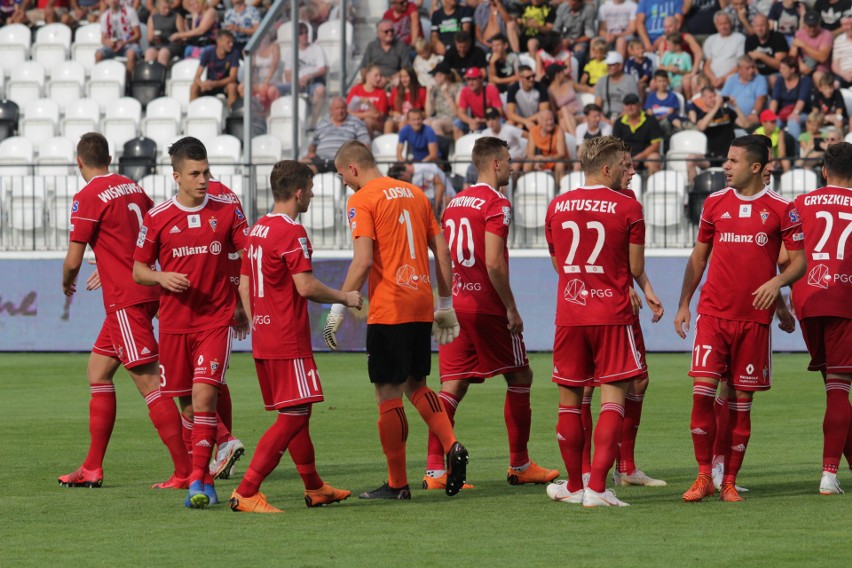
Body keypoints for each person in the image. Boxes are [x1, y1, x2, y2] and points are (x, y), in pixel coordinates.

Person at [325, 140, 469, 500]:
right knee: (416, 384)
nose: (344, 182)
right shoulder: (415, 193)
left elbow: (363, 261)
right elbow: (442, 248)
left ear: (353, 168)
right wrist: (446, 301)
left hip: (389, 306)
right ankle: (452, 445)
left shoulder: (361, 200)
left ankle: (397, 483)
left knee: (387, 395)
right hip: (421, 302)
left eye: (342, 175)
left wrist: (338, 307)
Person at [421, 136, 560, 491]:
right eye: (510, 160)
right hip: (486, 306)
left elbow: (443, 255)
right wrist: (511, 307)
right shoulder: (497, 203)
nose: (513, 166)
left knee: (452, 385)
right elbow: (495, 261)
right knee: (520, 377)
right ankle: (520, 464)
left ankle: (435, 470)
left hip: (456, 303)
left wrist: (445, 300)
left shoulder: (453, 203)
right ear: (496, 163)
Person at [674, 134, 806, 503]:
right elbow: (699, 258)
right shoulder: (714, 203)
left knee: (740, 405)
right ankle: (704, 477)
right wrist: (684, 303)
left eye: (733, 161)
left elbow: (799, 261)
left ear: (756, 167)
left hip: (753, 321)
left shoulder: (783, 209)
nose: (725, 167)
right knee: (702, 395)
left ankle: (730, 480)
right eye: (726, 159)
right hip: (713, 314)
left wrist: (777, 288)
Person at [58, 132, 191, 490]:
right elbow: (150, 232)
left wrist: (67, 281)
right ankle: (91, 467)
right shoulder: (132, 187)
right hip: (147, 286)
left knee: (150, 383)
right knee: (98, 371)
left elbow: (73, 260)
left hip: (125, 299)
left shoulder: (86, 196)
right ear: (110, 158)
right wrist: (112, 260)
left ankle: (186, 470)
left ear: (79, 161)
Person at [229, 161, 362, 514]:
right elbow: (305, 287)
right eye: (312, 188)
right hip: (287, 339)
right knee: (293, 416)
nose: (314, 194)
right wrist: (345, 297)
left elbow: (243, 283)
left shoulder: (257, 229)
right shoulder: (291, 232)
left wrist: (257, 320)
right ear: (299, 192)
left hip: (266, 338)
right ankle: (247, 490)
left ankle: (315, 486)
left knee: (297, 412)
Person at [132, 136, 250, 508]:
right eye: (195, 174)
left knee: (204, 396)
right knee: (186, 406)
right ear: (177, 177)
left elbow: (248, 254)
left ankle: (199, 480)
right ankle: (202, 478)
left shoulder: (227, 210)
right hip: (174, 324)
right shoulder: (158, 218)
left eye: (207, 172)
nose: (203, 180)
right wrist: (161, 278)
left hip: (214, 321)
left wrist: (244, 304)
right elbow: (138, 270)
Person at [543, 135, 646, 508]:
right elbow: (634, 268)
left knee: (569, 401)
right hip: (611, 314)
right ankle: (598, 489)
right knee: (612, 399)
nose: (627, 171)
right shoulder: (628, 207)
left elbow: (558, 262)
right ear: (606, 168)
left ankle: (573, 485)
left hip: (570, 314)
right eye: (623, 165)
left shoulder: (556, 205)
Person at [789, 141, 852, 495]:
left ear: (824, 170)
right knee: (839, 390)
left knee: (835, 389)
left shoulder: (800, 203)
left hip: (808, 301)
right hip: (845, 299)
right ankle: (829, 474)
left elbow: (786, 255)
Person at [301, 97, 371, 174]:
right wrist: (310, 153)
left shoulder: (357, 123)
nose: (340, 111)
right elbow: (313, 144)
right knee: (302, 166)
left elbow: (365, 144)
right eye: (337, 108)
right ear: (330, 110)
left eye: (342, 108)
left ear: (346, 109)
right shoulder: (322, 124)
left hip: (346, 161)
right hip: (321, 161)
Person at [280, 23, 328, 129]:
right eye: (301, 33)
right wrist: (295, 81)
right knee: (272, 89)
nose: (305, 35)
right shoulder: (291, 51)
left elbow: (323, 69)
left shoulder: (317, 49)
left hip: (313, 82)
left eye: (306, 32)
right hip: (295, 83)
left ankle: (313, 123)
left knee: (320, 90)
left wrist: (309, 77)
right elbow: (287, 73)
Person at [612, 93, 662, 173]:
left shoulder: (651, 120)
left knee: (654, 159)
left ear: (639, 105)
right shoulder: (618, 123)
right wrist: (628, 158)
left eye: (633, 104)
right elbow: (616, 146)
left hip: (646, 156)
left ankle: (651, 185)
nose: (630, 107)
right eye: (627, 104)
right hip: (625, 157)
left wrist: (638, 158)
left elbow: (656, 145)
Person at [190, 30, 240, 109]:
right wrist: (202, 84)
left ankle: (232, 115)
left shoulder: (234, 53)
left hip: (224, 85)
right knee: (194, 87)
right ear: (219, 42)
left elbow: (233, 77)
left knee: (232, 86)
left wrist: (215, 84)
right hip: (211, 84)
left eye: (232, 42)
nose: (231, 44)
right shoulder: (208, 53)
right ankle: (193, 111)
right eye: (228, 42)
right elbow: (196, 77)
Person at [768, 56, 813, 139]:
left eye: (784, 68)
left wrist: (795, 113)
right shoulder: (780, 80)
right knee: (773, 122)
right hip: (783, 113)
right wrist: (771, 116)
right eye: (780, 68)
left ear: (792, 69)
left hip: (801, 113)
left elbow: (801, 100)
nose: (780, 71)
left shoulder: (805, 80)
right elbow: (774, 99)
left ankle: (795, 149)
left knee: (793, 121)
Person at [96, 0, 143, 75]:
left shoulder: (130, 12)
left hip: (129, 44)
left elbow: (138, 35)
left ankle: (128, 81)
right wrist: (109, 43)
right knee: (98, 54)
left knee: (131, 54)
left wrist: (125, 42)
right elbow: (103, 40)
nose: (113, 1)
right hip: (113, 46)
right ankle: (99, 78)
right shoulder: (105, 16)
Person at [454, 67, 502, 139]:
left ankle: (498, 146)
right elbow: (460, 112)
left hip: (490, 120)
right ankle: (459, 148)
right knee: (457, 124)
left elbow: (499, 112)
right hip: (476, 121)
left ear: (481, 79)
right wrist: (470, 121)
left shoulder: (491, 89)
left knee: (500, 122)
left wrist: (484, 120)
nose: (470, 83)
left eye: (473, 79)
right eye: (468, 79)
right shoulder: (465, 90)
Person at [703, 12, 746, 90]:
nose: (723, 27)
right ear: (716, 25)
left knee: (730, 78)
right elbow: (706, 65)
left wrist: (723, 78)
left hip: (731, 76)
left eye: (726, 23)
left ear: (731, 23)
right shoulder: (710, 39)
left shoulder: (740, 38)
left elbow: (740, 64)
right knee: (695, 80)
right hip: (713, 78)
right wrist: (713, 79)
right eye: (720, 24)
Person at [721, 55, 768, 127]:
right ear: (739, 70)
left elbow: (761, 98)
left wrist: (754, 113)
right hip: (733, 117)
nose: (752, 70)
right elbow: (723, 97)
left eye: (753, 67)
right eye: (748, 68)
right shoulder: (732, 79)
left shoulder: (760, 79)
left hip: (750, 118)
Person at [746, 14, 788, 89]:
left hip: (775, 74)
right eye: (757, 26)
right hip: (756, 74)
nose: (759, 29)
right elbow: (747, 63)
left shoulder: (778, 38)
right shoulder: (750, 40)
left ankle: (774, 100)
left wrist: (761, 56)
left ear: (768, 26)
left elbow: (780, 65)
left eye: (762, 25)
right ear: (753, 27)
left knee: (773, 79)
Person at [594, 51, 640, 122]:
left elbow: (632, 105)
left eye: (612, 65)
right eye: (608, 65)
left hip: (625, 116)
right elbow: (597, 105)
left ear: (620, 66)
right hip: (605, 116)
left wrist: (617, 121)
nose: (609, 67)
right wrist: (605, 120)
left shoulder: (629, 80)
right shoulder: (602, 80)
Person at [347, 65, 391, 138]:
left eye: (380, 76)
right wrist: (367, 114)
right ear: (368, 75)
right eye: (376, 75)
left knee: (368, 122)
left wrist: (370, 104)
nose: (379, 78)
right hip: (357, 121)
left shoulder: (381, 93)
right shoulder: (356, 89)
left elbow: (379, 116)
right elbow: (348, 112)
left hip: (376, 123)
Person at [524, 108, 567, 180]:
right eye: (546, 120)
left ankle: (560, 188)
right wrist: (538, 159)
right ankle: (527, 187)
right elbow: (530, 154)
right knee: (527, 164)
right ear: (540, 121)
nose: (550, 122)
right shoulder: (533, 131)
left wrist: (547, 159)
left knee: (560, 165)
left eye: (551, 120)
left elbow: (561, 153)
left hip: (553, 160)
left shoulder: (559, 130)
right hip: (539, 159)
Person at [790, 10, 833, 82]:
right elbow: (792, 56)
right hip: (801, 67)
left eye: (814, 26)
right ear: (804, 24)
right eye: (809, 26)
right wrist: (799, 66)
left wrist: (804, 45)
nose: (812, 29)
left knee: (818, 76)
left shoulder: (826, 34)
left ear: (819, 24)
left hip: (820, 69)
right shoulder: (799, 34)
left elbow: (823, 57)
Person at [506, 64, 550, 131]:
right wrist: (524, 122)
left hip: (537, 119)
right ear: (521, 78)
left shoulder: (541, 87)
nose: (532, 79)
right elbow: (510, 114)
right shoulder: (513, 89)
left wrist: (525, 121)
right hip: (521, 119)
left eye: (533, 76)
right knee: (509, 124)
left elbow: (543, 111)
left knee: (544, 119)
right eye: (528, 77)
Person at [552, 0, 595, 66]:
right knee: (555, 46)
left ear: (580, 2)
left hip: (580, 39)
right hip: (564, 39)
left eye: (574, 3)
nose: (571, 4)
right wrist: (560, 41)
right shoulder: (563, 7)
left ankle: (577, 71)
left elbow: (589, 35)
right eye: (570, 2)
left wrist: (573, 41)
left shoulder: (588, 10)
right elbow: (556, 29)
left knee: (579, 50)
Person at [424, 62, 461, 137]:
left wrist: (447, 94)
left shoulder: (458, 88)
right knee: (425, 123)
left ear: (445, 75)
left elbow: (457, 113)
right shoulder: (435, 89)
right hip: (439, 117)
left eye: (438, 75)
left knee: (436, 124)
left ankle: (442, 148)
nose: (435, 78)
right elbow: (428, 113)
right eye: (434, 75)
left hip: (453, 119)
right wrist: (428, 93)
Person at [145, 0, 185, 68]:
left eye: (168, 8)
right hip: (157, 44)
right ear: (158, 7)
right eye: (164, 8)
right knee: (149, 52)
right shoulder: (152, 18)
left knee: (163, 53)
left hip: (172, 45)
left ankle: (161, 75)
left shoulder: (176, 16)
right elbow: (149, 38)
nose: (167, 10)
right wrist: (154, 38)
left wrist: (177, 37)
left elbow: (183, 35)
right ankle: (149, 76)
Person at [389, 67, 428, 133]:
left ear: (412, 77)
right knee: (388, 123)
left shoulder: (421, 91)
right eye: (401, 77)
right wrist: (394, 113)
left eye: (406, 76)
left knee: (403, 123)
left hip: (414, 120)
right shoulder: (395, 90)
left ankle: (401, 142)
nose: (403, 80)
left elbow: (426, 113)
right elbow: (389, 110)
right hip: (399, 118)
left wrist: (413, 116)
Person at [831, 16, 852, 88]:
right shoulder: (838, 40)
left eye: (849, 24)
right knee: (835, 84)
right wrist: (844, 74)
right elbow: (835, 65)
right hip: (843, 74)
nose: (847, 28)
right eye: (844, 25)